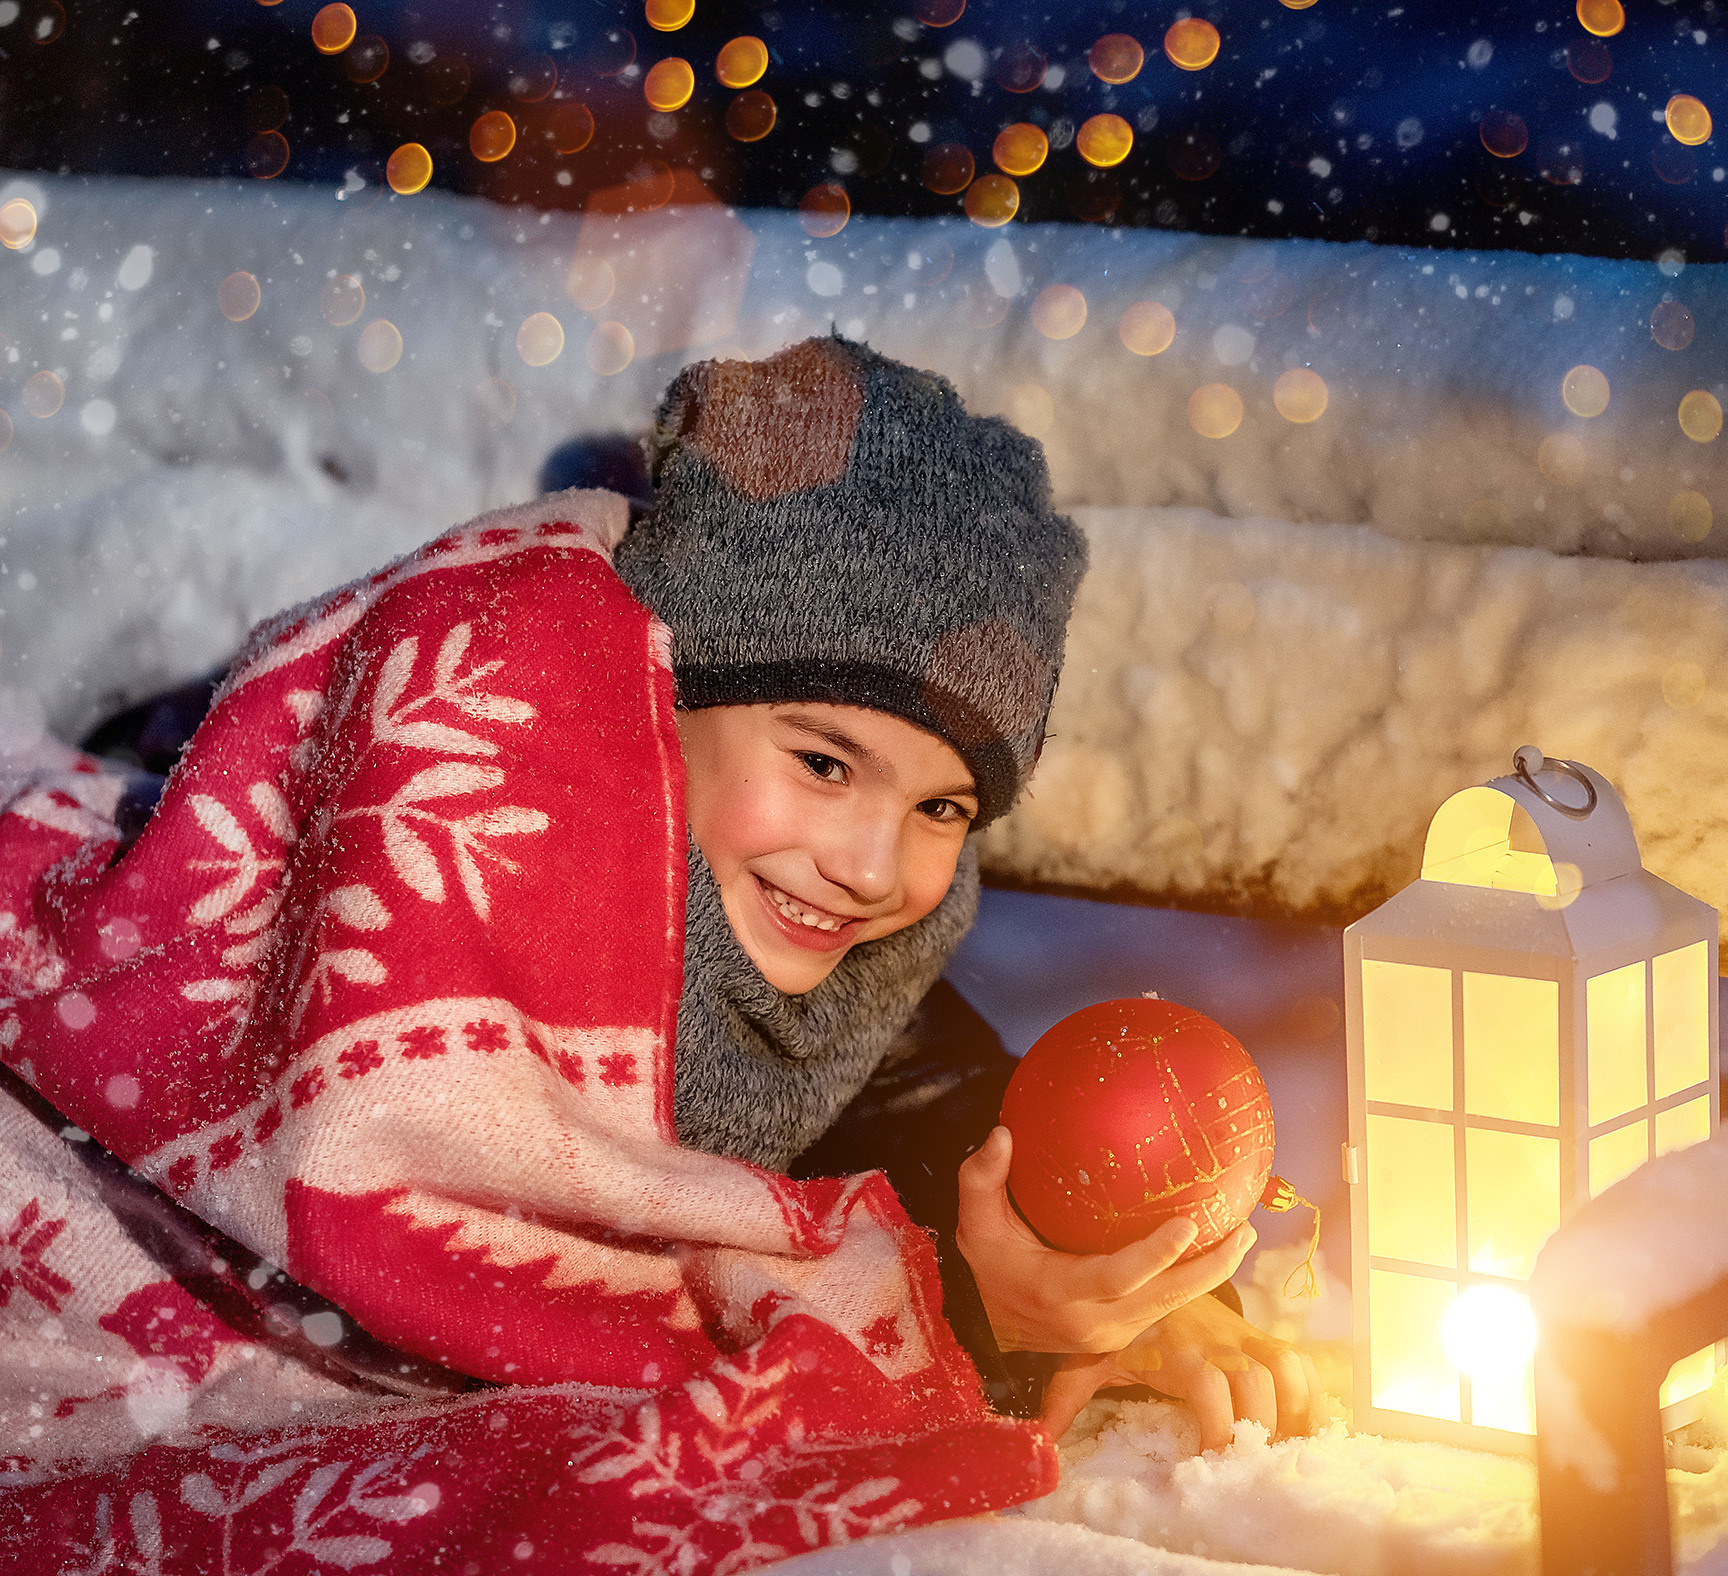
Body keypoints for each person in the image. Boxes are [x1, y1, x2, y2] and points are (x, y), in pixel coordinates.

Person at [98, 334, 1321, 1451]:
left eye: (940, 807)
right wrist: (954, 1309)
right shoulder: (464, 854)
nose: (871, 866)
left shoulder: (842, 984)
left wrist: (1110, 1290)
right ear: (659, 694)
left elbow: (931, 1117)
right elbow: (441, 1291)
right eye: (826, 763)